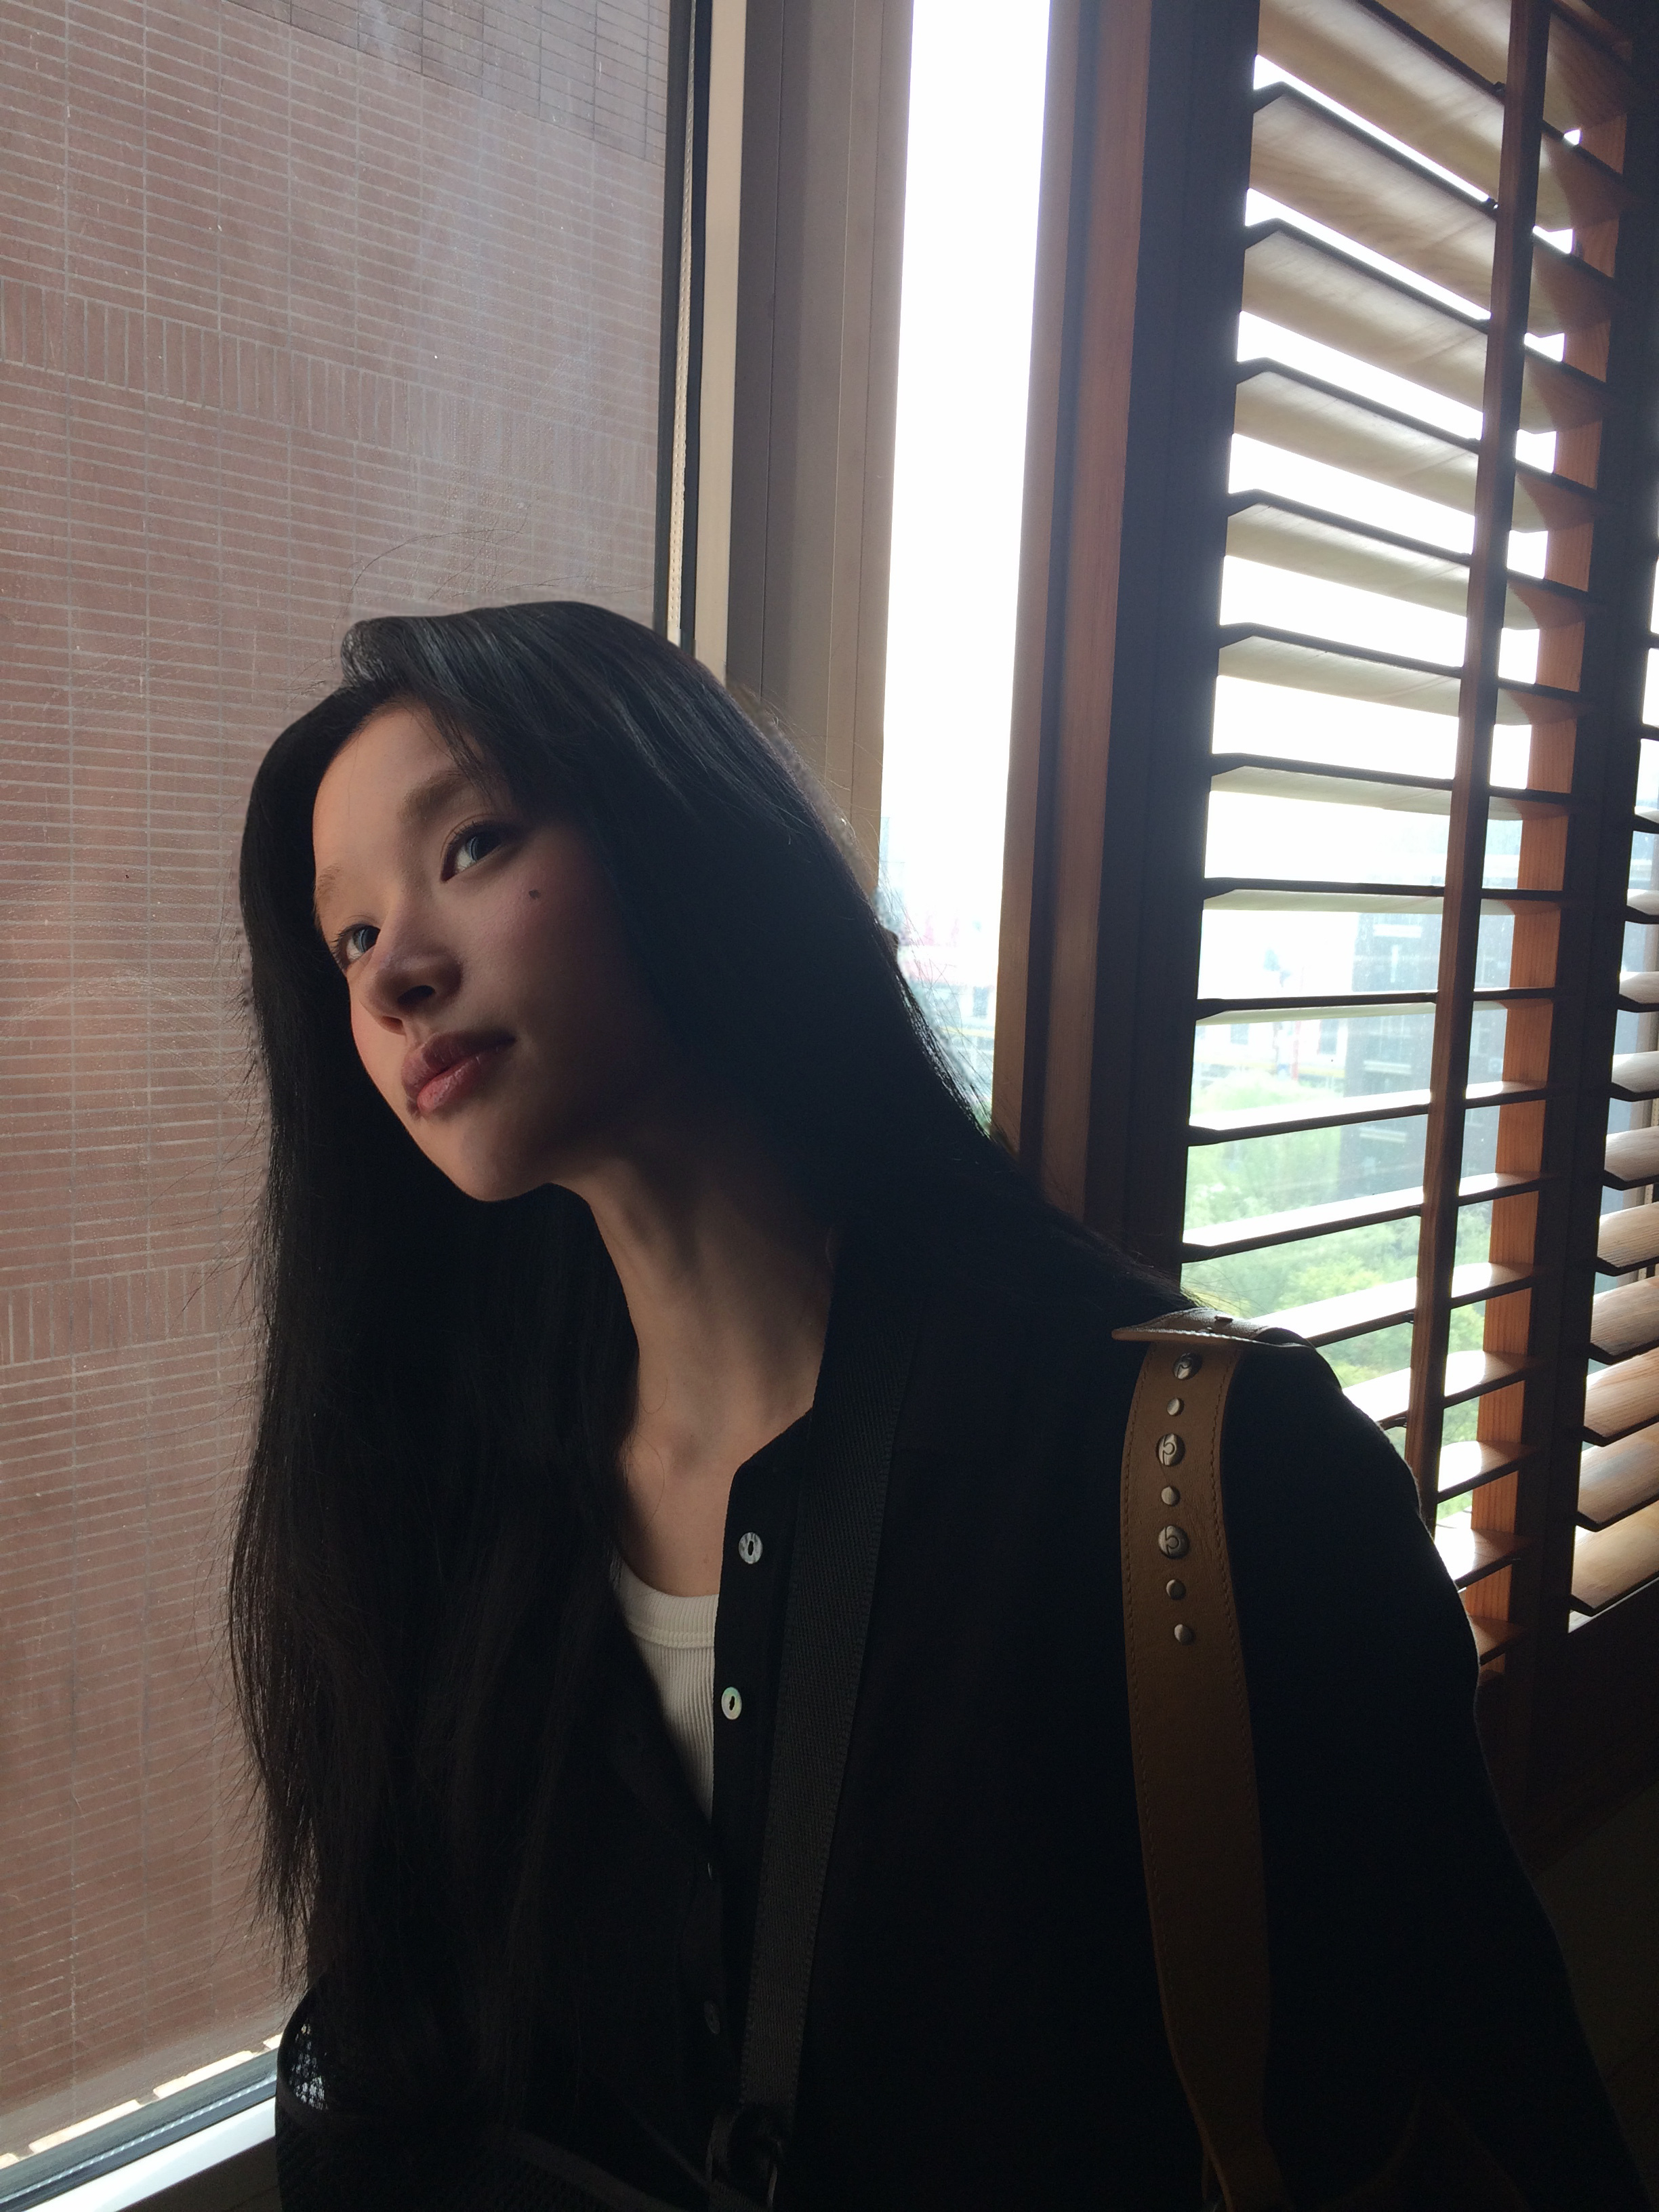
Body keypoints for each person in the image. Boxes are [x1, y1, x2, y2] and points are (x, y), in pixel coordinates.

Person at [234, 600, 1645, 2211]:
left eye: (473, 845)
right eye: (349, 940)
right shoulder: (451, 1516)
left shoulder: (1212, 1478)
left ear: (683, 831)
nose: (398, 976)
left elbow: (1509, 2102)